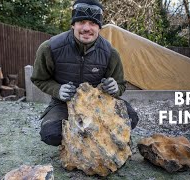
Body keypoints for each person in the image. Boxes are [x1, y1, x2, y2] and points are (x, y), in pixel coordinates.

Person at [31, 0, 139, 146]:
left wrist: (115, 88)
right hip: (64, 104)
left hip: (98, 103)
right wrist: (57, 90)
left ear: (99, 27)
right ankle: (76, 143)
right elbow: (39, 79)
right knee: (51, 134)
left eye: (93, 23)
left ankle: (99, 139)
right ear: (73, 24)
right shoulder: (50, 48)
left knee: (131, 117)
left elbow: (120, 85)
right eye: (81, 22)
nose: (86, 28)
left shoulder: (110, 53)